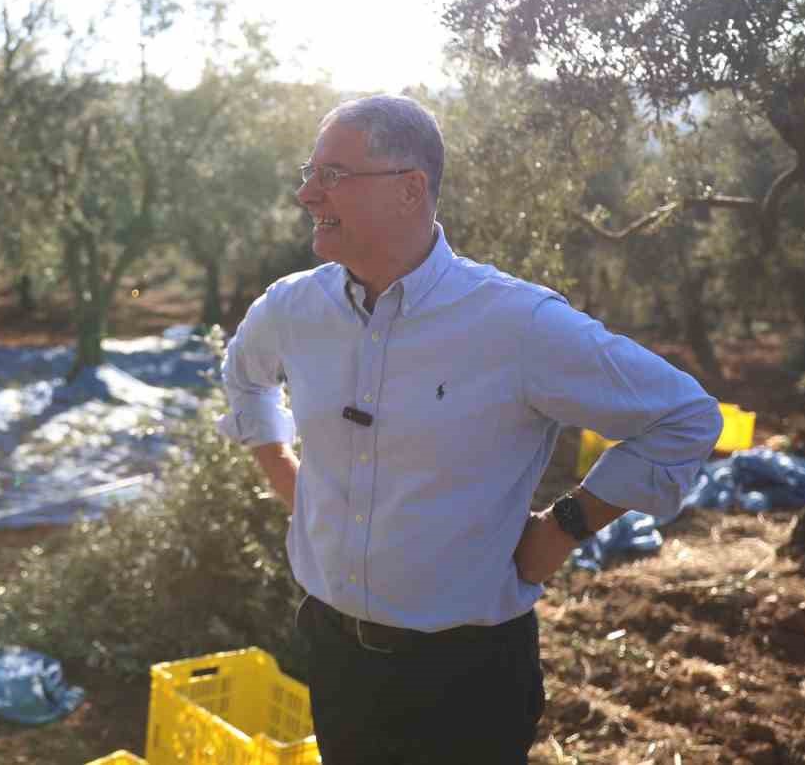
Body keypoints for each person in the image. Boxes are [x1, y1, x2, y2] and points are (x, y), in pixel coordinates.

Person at [218, 94, 721, 764]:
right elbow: (243, 376)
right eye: (310, 172)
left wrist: (566, 526)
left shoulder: (518, 325)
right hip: (337, 660)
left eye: (332, 175)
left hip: (468, 681)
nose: (308, 193)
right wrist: (290, 482)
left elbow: (685, 416)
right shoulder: (292, 308)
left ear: (410, 188)